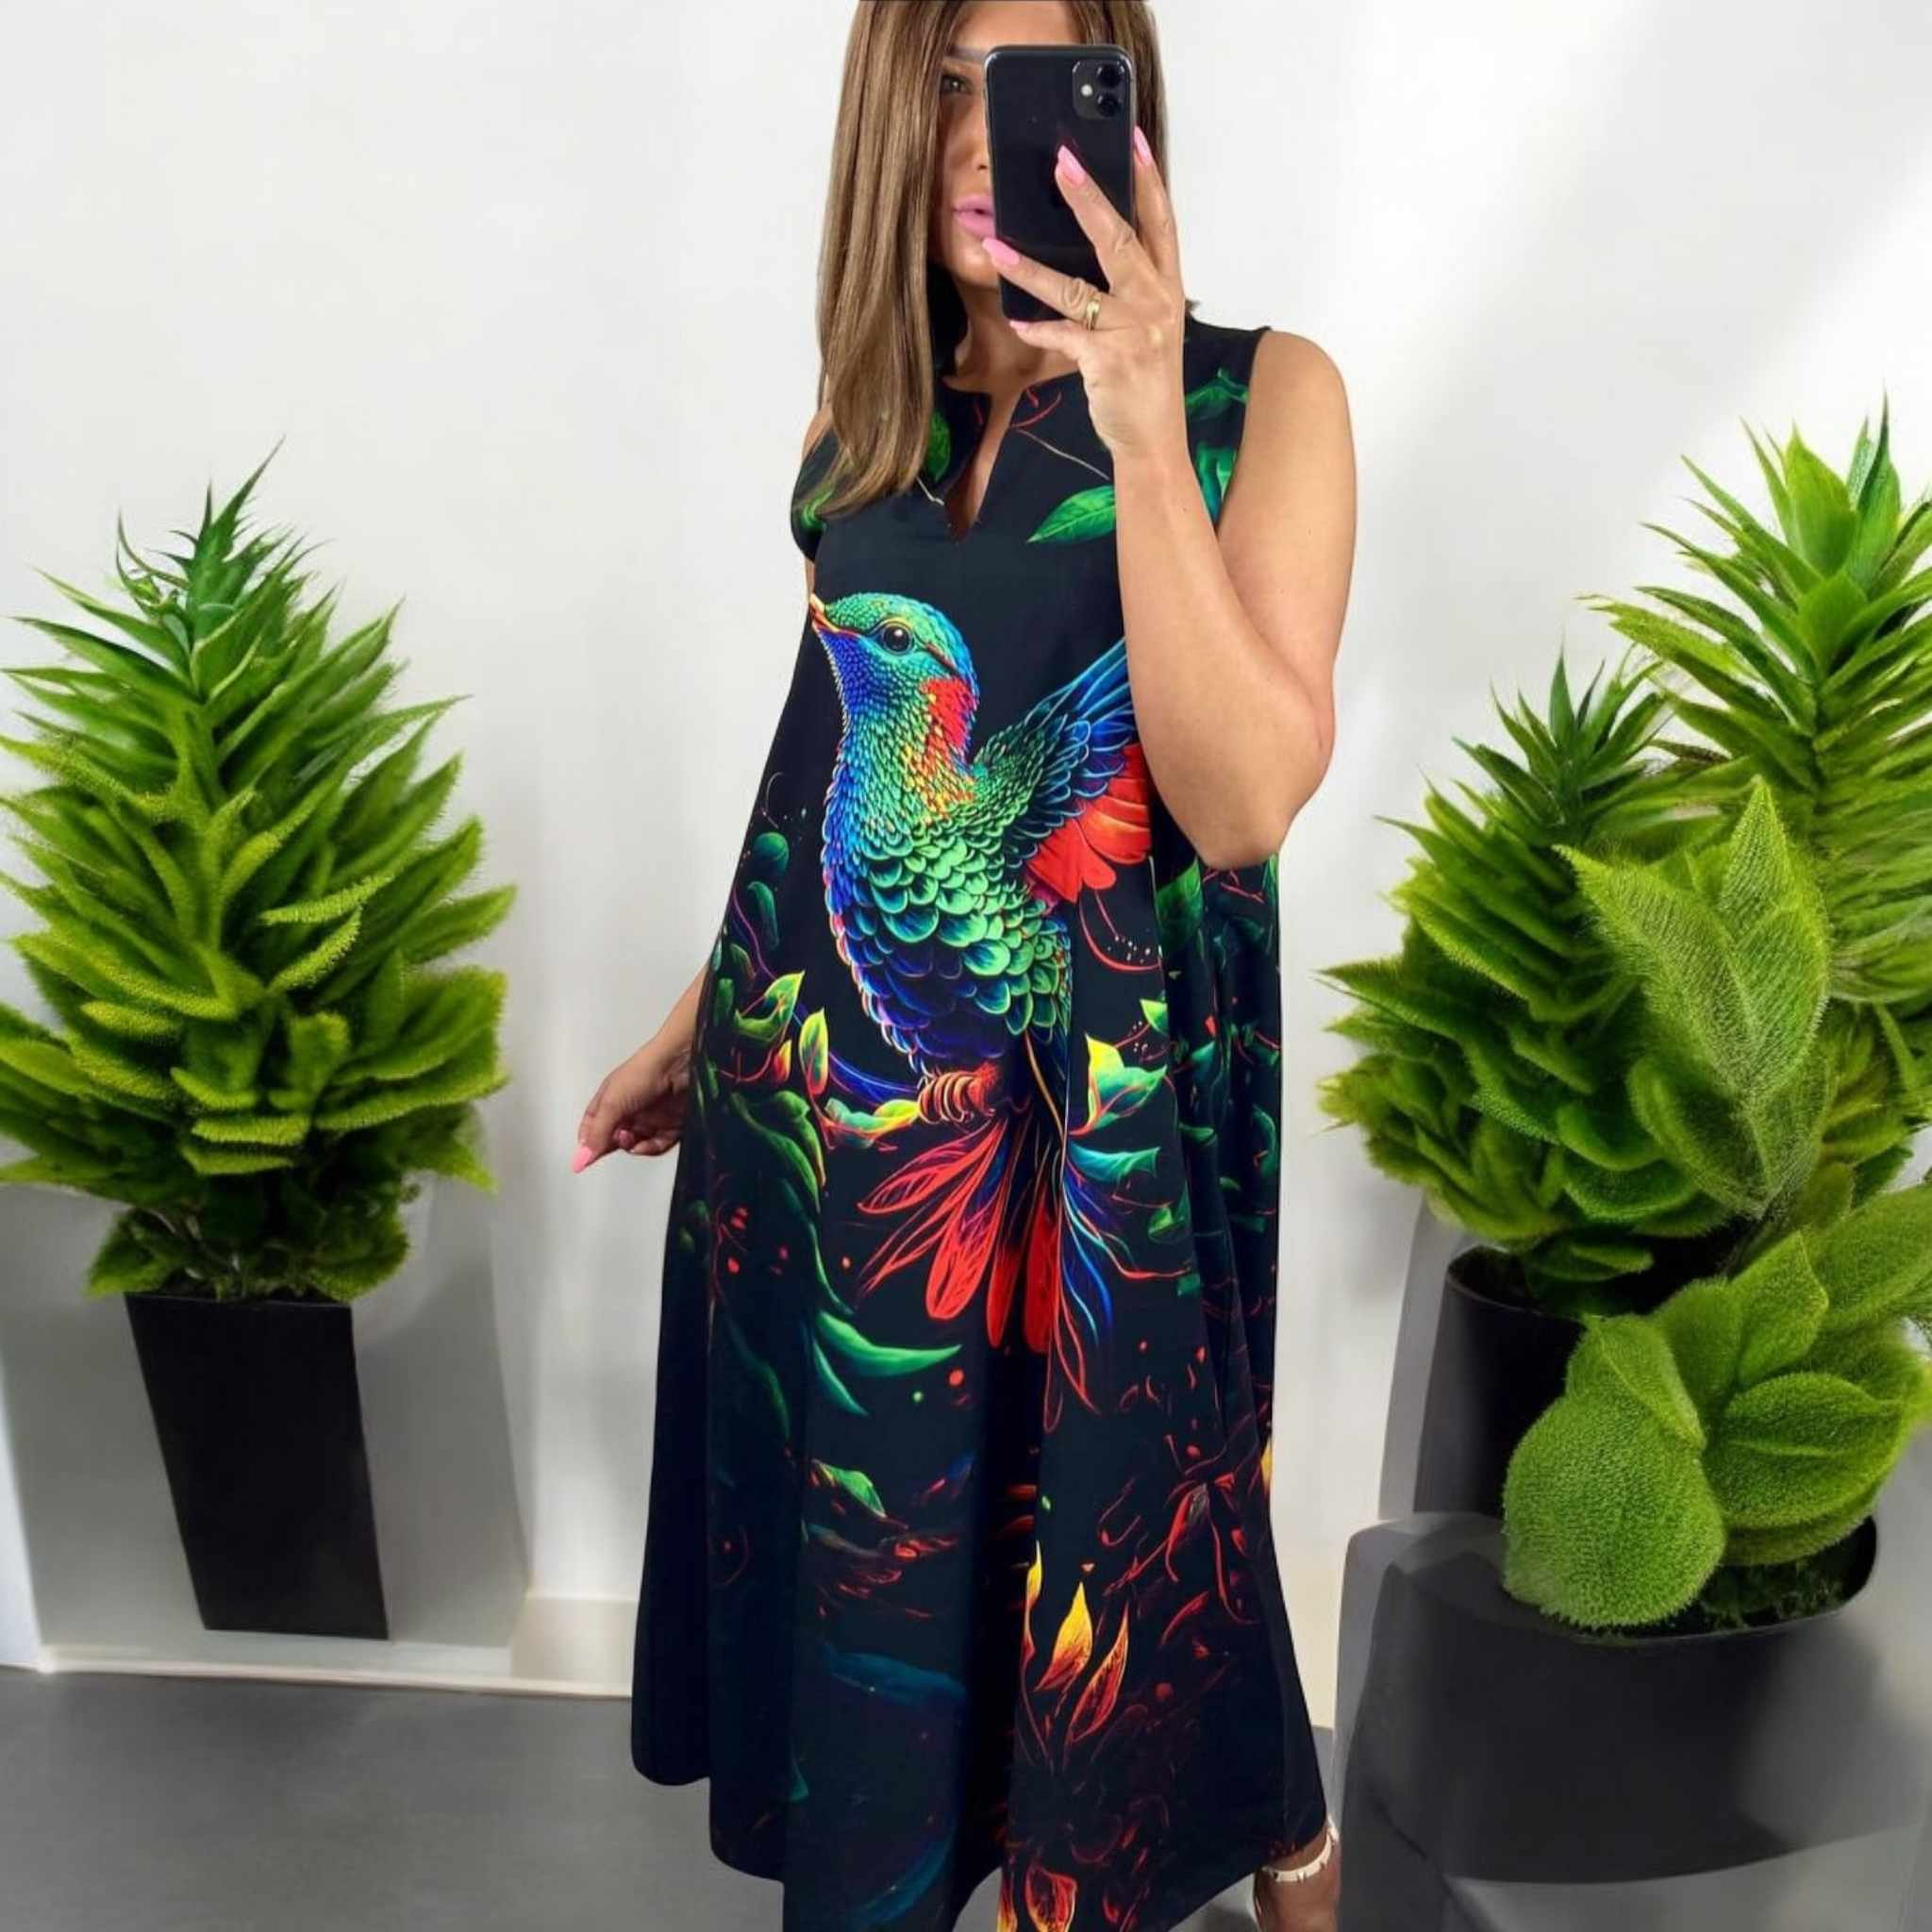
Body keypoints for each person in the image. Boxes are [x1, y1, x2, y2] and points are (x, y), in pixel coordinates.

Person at [575, 4, 1354, 1927]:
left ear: (1117, 109)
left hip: (1109, 1132)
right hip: (864, 1123)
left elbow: (1237, 801)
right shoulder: (861, 430)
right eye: (940, 89)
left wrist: (1144, 425)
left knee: (1149, 1506)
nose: (982, 142)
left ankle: (1273, 1843)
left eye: (1023, 87)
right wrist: (697, 1020)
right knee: (911, 1552)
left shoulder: (1267, 399)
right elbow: (816, 773)